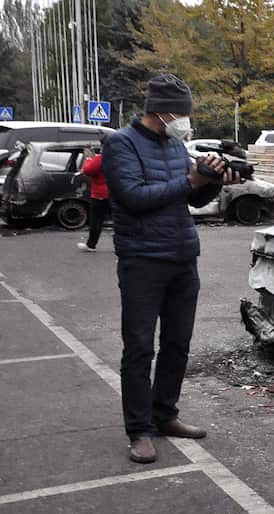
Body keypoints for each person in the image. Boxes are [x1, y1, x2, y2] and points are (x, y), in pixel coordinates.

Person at [102, 74, 240, 464]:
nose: (185, 121)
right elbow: (133, 197)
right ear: (162, 112)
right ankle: (139, 430)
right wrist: (190, 180)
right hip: (142, 260)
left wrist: (213, 180)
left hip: (182, 256)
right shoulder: (121, 144)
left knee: (178, 344)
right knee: (139, 347)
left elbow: (192, 199)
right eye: (181, 113)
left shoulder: (176, 145)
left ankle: (165, 415)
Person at [76, 146, 110, 252]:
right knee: (120, 220)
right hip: (115, 192)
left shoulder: (100, 158)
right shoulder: (118, 156)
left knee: (96, 220)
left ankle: (91, 245)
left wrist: (89, 158)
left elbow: (88, 170)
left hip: (100, 193)